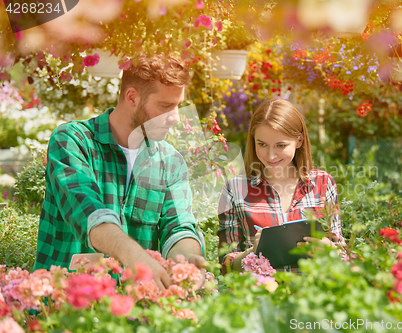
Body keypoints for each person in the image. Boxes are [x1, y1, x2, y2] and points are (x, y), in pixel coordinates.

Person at [34, 54, 206, 290]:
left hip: (136, 315)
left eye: (178, 105)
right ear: (132, 97)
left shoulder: (170, 162)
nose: (175, 117)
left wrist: (186, 258)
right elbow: (88, 213)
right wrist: (134, 255)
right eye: (165, 106)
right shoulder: (74, 141)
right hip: (66, 310)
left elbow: (178, 226)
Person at [217, 98, 346, 274]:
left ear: (299, 141)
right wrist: (252, 253)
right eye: (261, 144)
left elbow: (343, 255)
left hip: (314, 296)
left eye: (281, 145)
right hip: (259, 296)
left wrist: (329, 250)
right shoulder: (235, 190)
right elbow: (226, 267)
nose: (270, 155)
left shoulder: (323, 184)